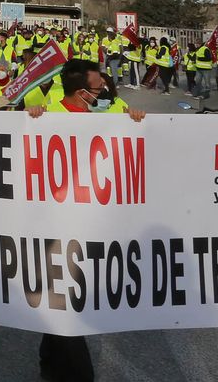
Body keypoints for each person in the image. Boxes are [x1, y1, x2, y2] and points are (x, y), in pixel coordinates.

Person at [26, 60, 147, 380]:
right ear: (82, 92)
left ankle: (49, 364)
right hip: (55, 228)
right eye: (99, 88)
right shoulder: (49, 113)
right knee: (66, 306)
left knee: (62, 305)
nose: (106, 91)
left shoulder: (108, 112)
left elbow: (143, 141)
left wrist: (137, 121)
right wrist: (31, 120)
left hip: (92, 227)